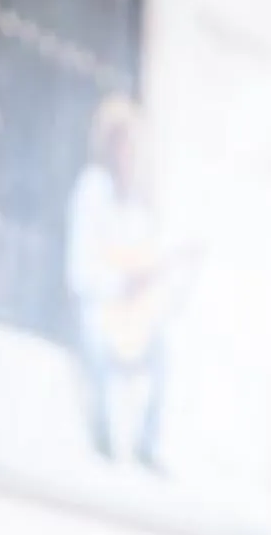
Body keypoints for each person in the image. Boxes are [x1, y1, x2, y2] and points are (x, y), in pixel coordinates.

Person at [64, 96, 184, 472]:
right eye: (121, 143)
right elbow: (81, 270)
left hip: (132, 316)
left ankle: (147, 445)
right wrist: (119, 285)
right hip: (100, 306)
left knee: (164, 346)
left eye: (133, 145)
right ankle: (101, 439)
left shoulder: (139, 207)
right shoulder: (92, 191)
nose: (128, 154)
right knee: (96, 338)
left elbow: (149, 265)